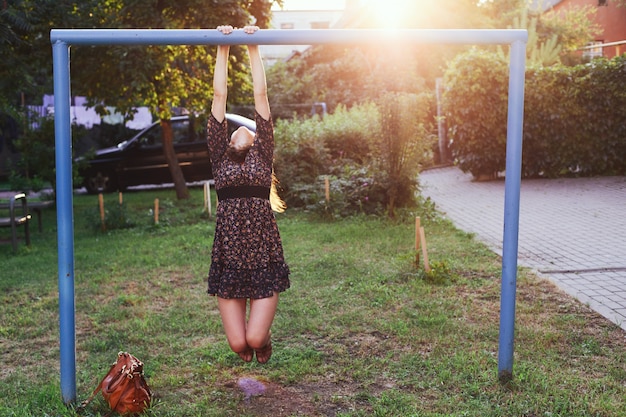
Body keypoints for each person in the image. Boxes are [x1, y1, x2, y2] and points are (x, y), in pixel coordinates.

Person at [206, 25, 290, 364]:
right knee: (239, 345)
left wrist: (253, 46)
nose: (243, 128)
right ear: (226, 140)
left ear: (257, 141)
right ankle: (250, 343)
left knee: (255, 338)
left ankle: (264, 339)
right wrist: (223, 47)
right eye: (232, 130)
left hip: (263, 255)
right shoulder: (218, 157)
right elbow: (218, 97)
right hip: (230, 256)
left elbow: (261, 97)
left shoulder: (262, 154)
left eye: (251, 130)